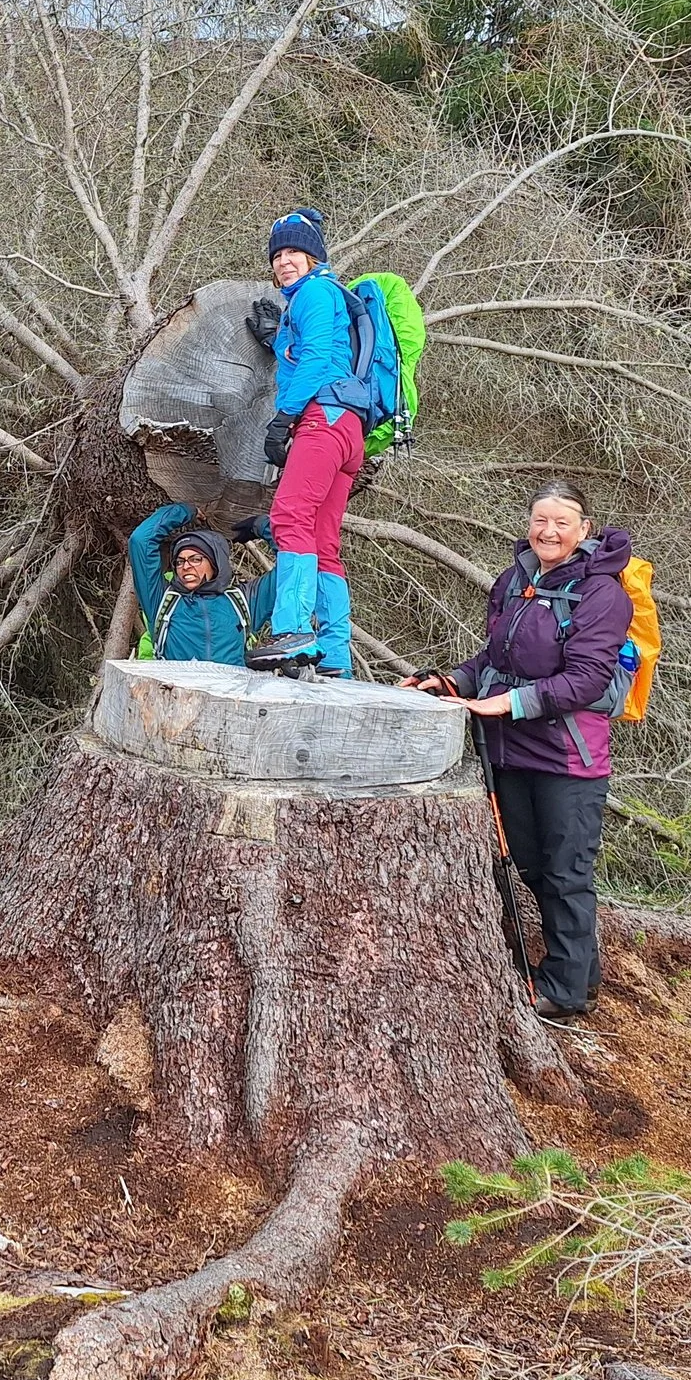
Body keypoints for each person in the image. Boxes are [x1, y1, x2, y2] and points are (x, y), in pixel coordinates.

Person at [405, 482, 631, 1019]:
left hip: (568, 757)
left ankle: (565, 990)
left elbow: (586, 679)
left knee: (565, 872)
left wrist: (508, 703)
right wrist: (453, 680)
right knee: (529, 865)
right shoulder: (515, 580)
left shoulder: (602, 594)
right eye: (540, 520)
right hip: (510, 750)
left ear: (584, 529)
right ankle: (582, 973)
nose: (548, 532)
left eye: (561, 522)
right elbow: (494, 657)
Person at [245, 209, 370, 675]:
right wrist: (277, 340)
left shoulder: (315, 291)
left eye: (294, 251)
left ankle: (293, 631)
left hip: (323, 418)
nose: (284, 261)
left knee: (289, 517)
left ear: (314, 256)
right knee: (322, 539)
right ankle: (334, 654)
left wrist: (284, 417)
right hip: (348, 428)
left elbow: (317, 358)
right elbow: (317, 349)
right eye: (277, 255)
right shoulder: (321, 296)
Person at [126, 502, 272, 665]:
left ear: (215, 563)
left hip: (233, 682)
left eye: (195, 559)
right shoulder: (160, 600)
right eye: (180, 561)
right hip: (176, 683)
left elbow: (291, 564)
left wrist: (262, 526)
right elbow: (141, 541)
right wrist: (187, 511)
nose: (186, 566)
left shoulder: (244, 601)